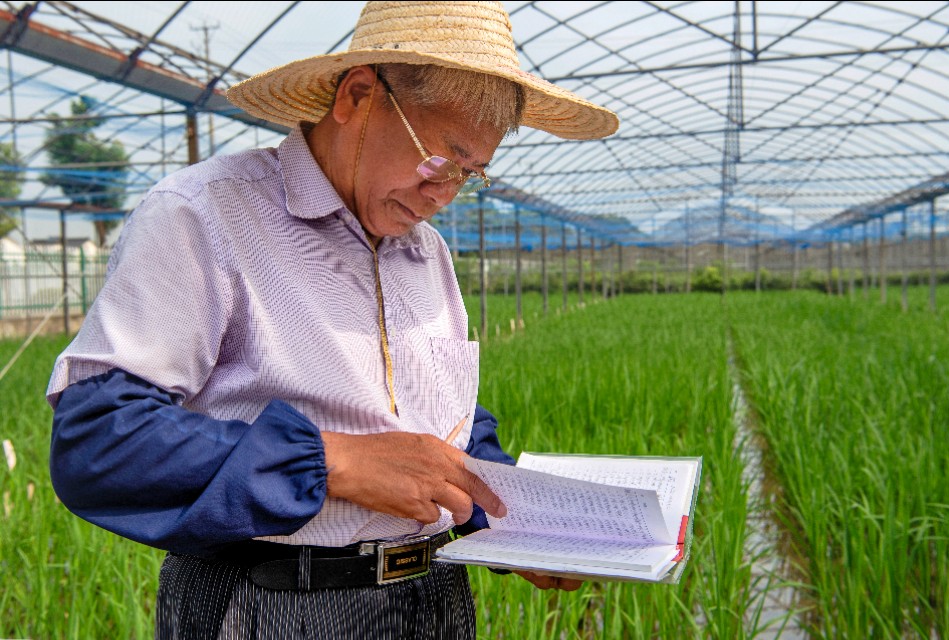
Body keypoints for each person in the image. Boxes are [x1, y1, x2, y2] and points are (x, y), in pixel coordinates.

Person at [45, 1, 618, 638]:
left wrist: (515, 519)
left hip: (434, 599)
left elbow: (442, 428)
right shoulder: (204, 216)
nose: (444, 194)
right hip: (272, 604)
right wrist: (337, 461)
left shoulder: (427, 252)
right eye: (439, 160)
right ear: (358, 95)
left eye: (470, 174)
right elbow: (99, 441)